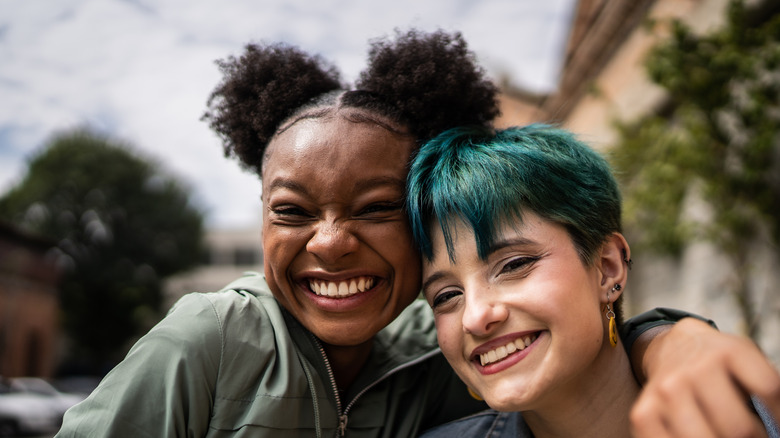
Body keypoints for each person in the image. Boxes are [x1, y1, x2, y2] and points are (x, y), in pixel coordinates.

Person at [56, 30, 779, 437]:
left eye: (373, 208)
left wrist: (674, 337)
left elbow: (578, 346)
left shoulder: (440, 355)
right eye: (292, 211)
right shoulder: (211, 338)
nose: (330, 242)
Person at [406, 124, 779, 438]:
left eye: (514, 264)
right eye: (446, 296)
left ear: (607, 267)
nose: (474, 316)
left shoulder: (754, 415)